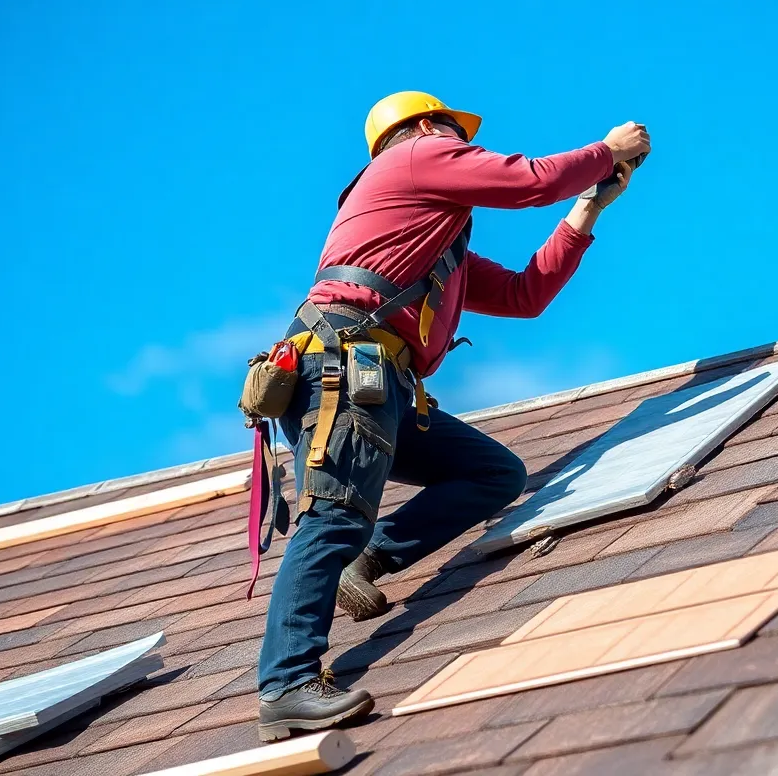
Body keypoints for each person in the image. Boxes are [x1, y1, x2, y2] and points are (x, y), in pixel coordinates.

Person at [256, 91, 650, 740]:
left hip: (379, 386)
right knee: (332, 516)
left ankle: (370, 559)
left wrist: (589, 209)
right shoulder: (413, 156)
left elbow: (525, 296)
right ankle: (287, 684)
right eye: (452, 132)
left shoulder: (437, 251)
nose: (459, 143)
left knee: (491, 473)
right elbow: (532, 181)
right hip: (347, 372)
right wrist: (608, 150)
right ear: (424, 128)